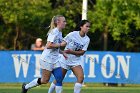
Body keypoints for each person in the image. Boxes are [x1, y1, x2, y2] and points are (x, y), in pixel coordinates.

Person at [21, 15, 66, 93]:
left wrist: (62, 52)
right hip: (47, 59)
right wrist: (61, 45)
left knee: (59, 78)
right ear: (58, 22)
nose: (66, 23)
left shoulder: (59, 32)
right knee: (44, 80)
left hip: (55, 59)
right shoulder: (54, 32)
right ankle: (26, 87)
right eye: (64, 21)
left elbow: (55, 47)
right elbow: (48, 46)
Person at [48, 20, 90, 93]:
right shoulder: (72, 34)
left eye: (89, 27)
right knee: (59, 79)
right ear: (81, 27)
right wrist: (58, 49)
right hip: (65, 59)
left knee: (81, 78)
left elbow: (82, 52)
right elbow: (62, 43)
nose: (88, 28)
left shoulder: (87, 39)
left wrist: (71, 51)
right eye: (87, 26)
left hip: (75, 61)